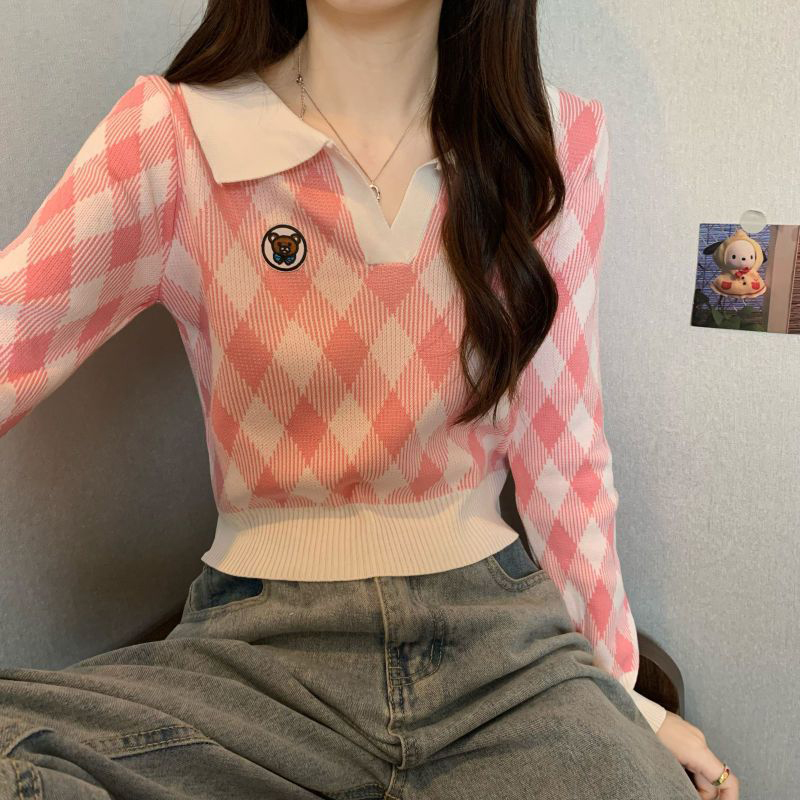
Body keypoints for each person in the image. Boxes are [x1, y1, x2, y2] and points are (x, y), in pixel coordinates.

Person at [0, 1, 738, 798]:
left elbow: (564, 448)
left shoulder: (547, 145)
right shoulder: (176, 138)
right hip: (256, 665)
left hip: (502, 659)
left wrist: (622, 692)